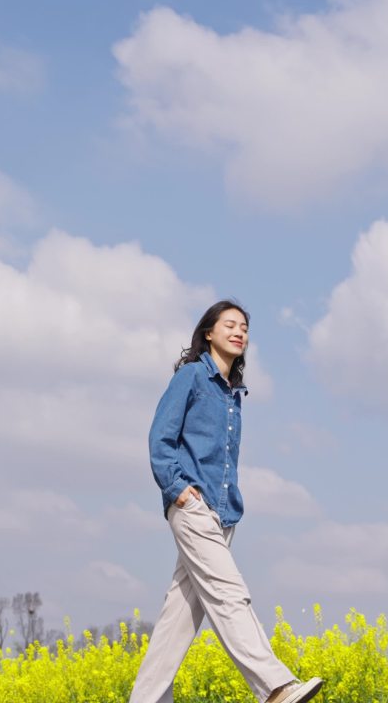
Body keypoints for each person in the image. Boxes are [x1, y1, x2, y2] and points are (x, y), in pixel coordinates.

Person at [129, 300, 323, 703]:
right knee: (230, 592)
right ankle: (274, 686)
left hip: (223, 513)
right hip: (192, 507)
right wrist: (177, 488)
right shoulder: (192, 378)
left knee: (179, 617)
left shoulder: (234, 393)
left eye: (245, 328)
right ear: (209, 333)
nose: (239, 332)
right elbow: (160, 438)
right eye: (230, 325)